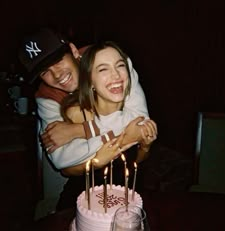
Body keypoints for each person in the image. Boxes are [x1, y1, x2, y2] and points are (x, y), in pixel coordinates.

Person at [18, 27, 157, 212]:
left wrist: (81, 130)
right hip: (83, 188)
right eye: (45, 72)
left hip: (127, 181)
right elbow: (62, 160)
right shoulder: (47, 97)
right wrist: (122, 137)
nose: (57, 75)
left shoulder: (109, 61)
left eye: (58, 61)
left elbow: (140, 120)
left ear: (74, 51)